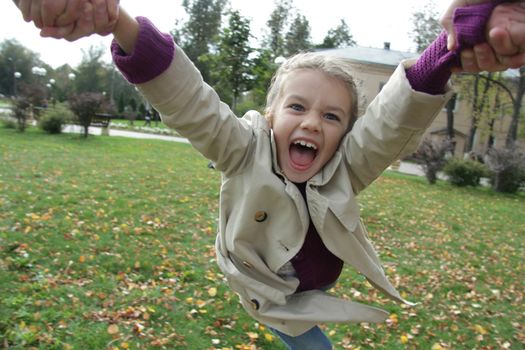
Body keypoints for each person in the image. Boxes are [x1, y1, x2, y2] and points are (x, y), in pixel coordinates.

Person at [14, 1, 525, 349]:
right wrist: (118, 21)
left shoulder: (348, 164)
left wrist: (447, 51)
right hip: (274, 294)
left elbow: (392, 121)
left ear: (346, 132)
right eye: (298, 107)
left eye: (331, 117)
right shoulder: (241, 149)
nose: (310, 123)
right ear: (271, 114)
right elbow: (187, 97)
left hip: (315, 288)